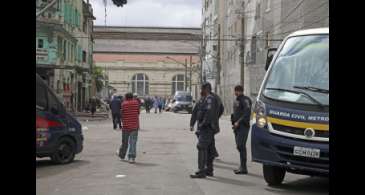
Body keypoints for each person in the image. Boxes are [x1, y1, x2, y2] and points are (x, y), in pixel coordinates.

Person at [190, 82, 219, 178]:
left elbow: (209, 114)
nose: (200, 91)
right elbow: (195, 112)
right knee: (209, 149)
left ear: (206, 89)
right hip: (206, 127)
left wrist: (203, 124)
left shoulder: (210, 99)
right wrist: (193, 124)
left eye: (202, 89)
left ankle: (201, 171)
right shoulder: (203, 99)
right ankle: (209, 170)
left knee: (201, 147)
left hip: (207, 128)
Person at [231, 85, 252, 174]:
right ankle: (241, 166)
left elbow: (247, 113)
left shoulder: (245, 100)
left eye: (236, 91)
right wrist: (233, 122)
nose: (235, 93)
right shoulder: (236, 100)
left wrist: (238, 122)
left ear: (239, 91)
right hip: (236, 127)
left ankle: (244, 168)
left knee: (241, 145)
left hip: (243, 126)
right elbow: (235, 112)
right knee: (239, 146)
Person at [117, 92, 141, 164]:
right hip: (135, 125)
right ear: (132, 97)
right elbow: (138, 112)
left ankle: (122, 155)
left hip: (126, 126)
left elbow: (121, 114)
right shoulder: (136, 103)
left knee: (125, 142)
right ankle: (131, 158)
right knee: (133, 142)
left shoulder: (124, 104)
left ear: (126, 97)